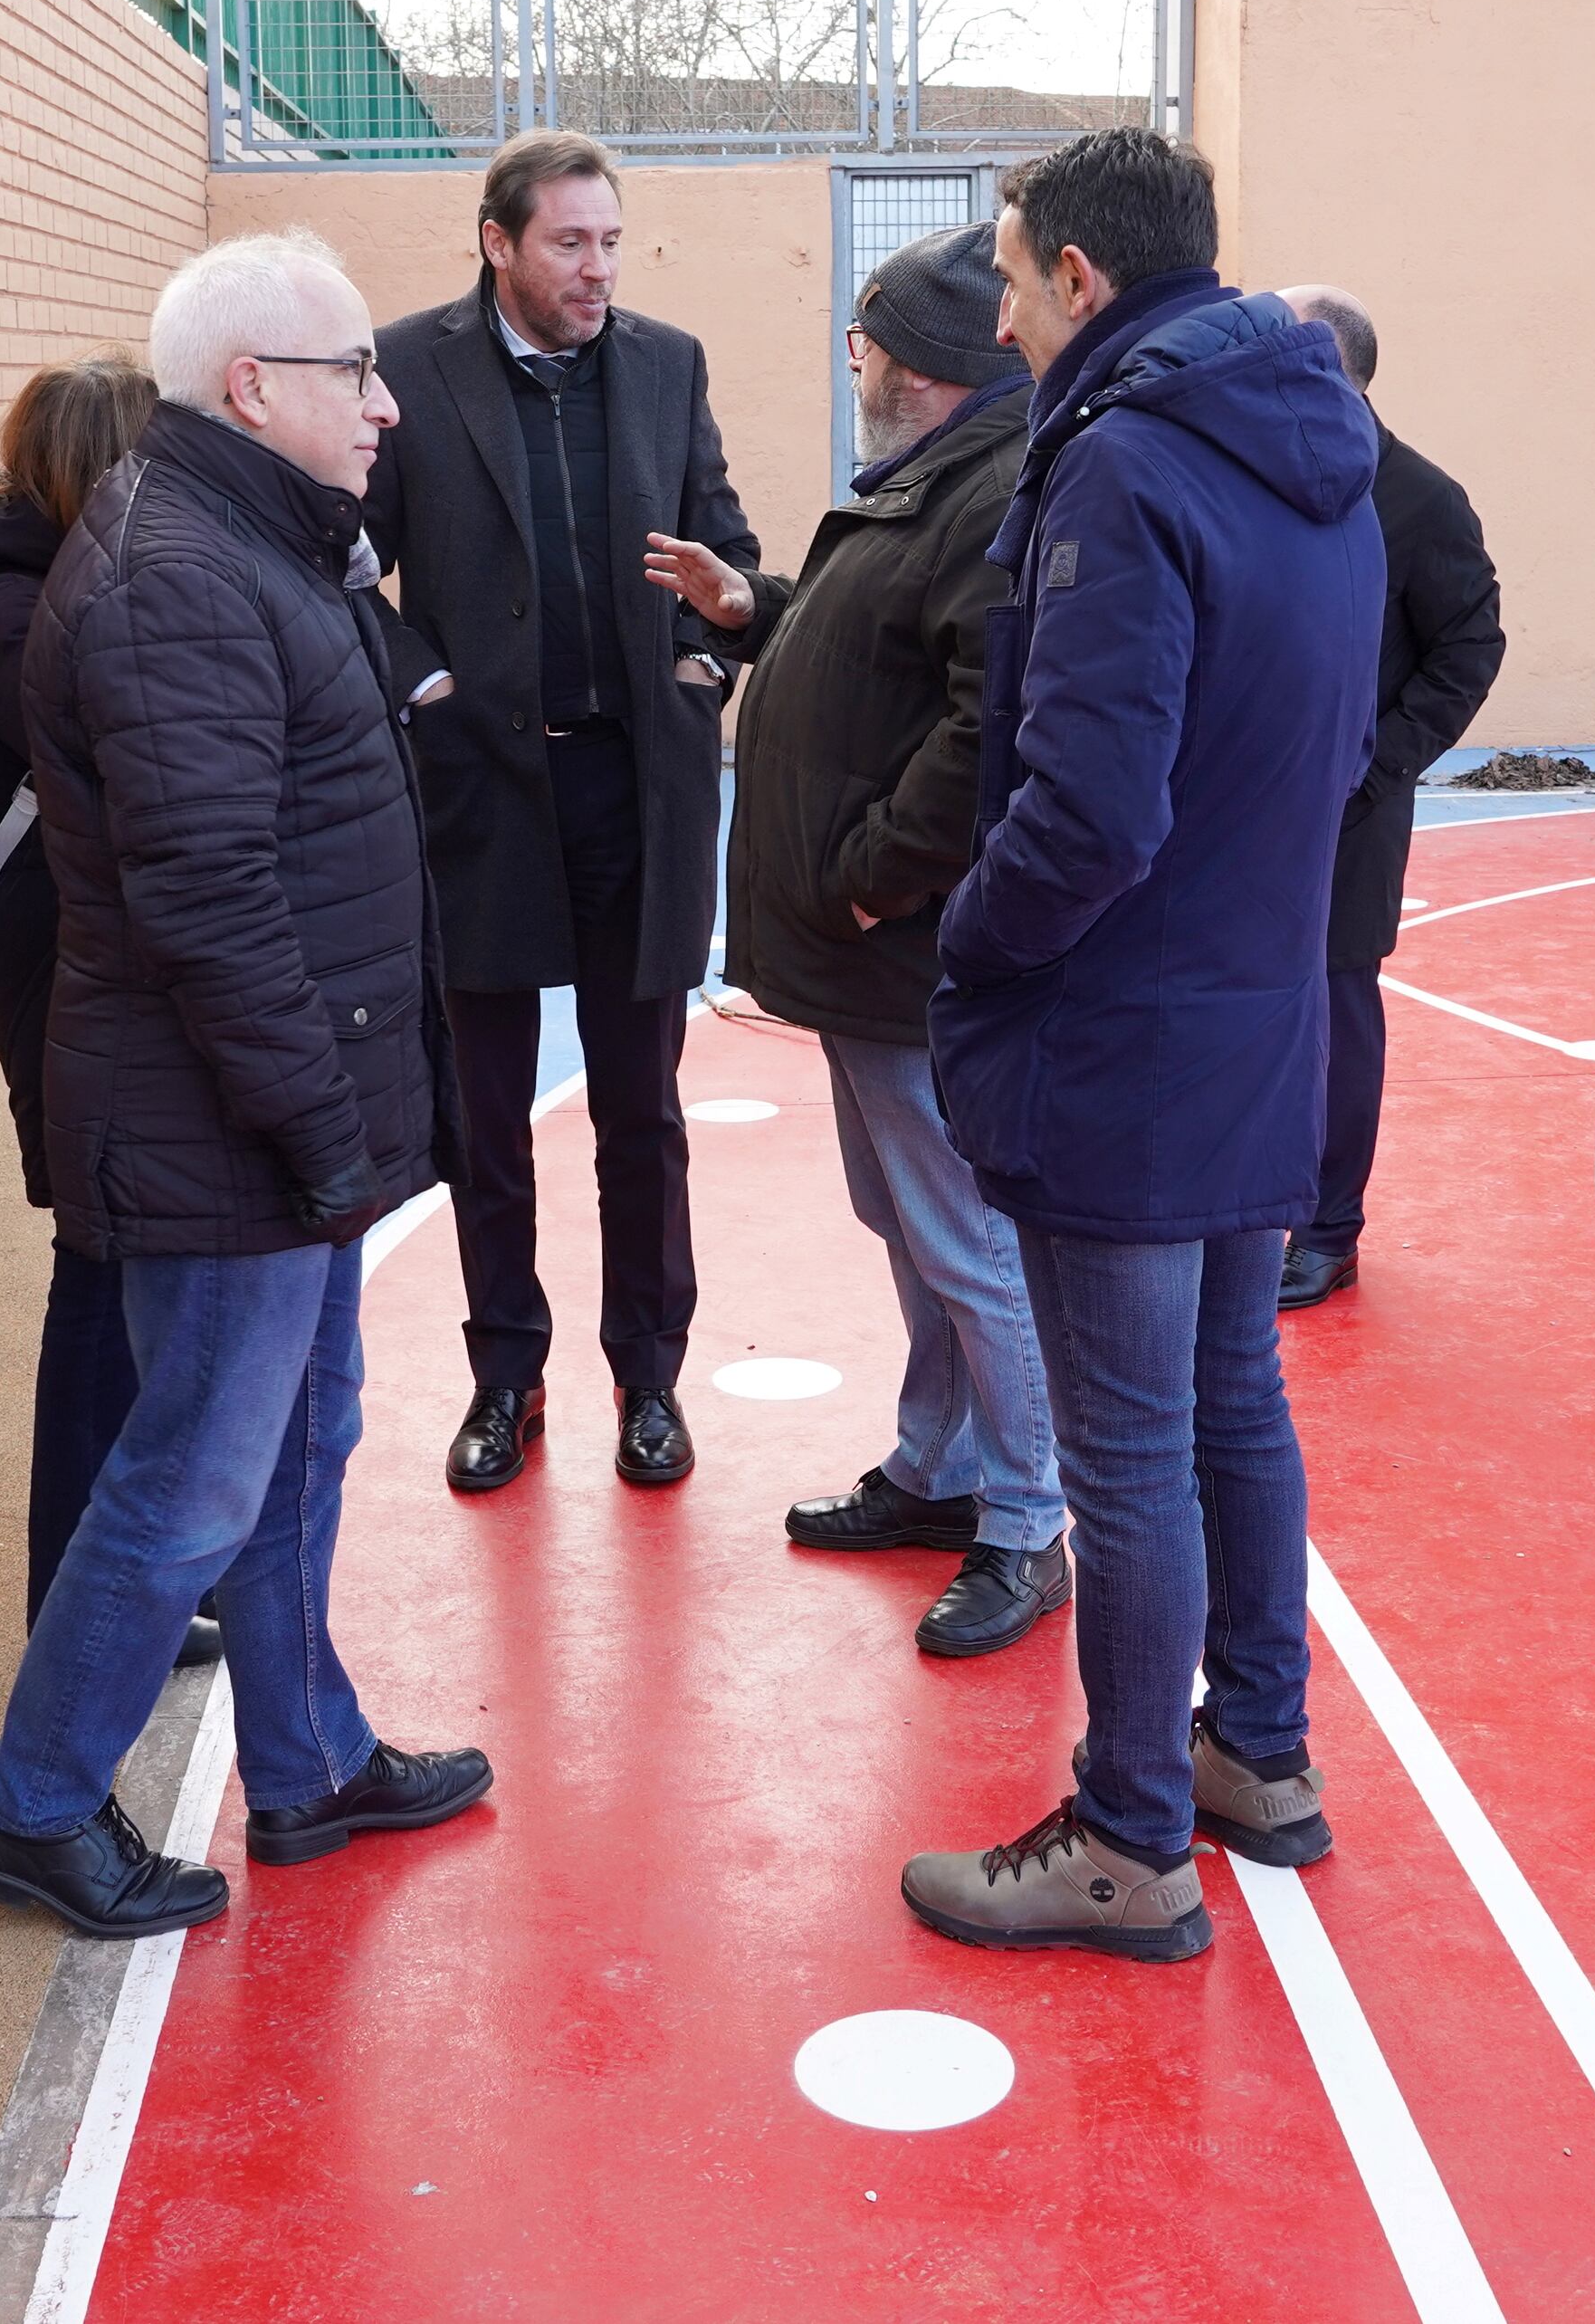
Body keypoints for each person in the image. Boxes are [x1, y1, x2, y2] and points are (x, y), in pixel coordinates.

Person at [0, 232, 487, 1942]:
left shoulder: (250, 538)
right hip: (228, 1120)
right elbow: (208, 898)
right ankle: (34, 1806)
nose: (389, 405)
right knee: (189, 1474)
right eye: (359, 373)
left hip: (262, 1114)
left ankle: (310, 1762)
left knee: (298, 1438)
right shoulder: (183, 571)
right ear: (256, 386)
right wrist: (324, 1129)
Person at [897, 129, 1381, 1962]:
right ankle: (1254, 1751)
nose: (1006, 310)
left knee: (1127, 1449)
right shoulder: (1313, 451)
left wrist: (972, 950)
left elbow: (1089, 806)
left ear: (1082, 277)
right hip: (1254, 1007)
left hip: (1128, 1025)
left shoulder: (1127, 465)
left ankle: (1126, 1835)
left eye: (1017, 277)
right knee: (1229, 1402)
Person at [645, 225, 1070, 1657]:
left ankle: (1025, 1518)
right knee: (914, 1224)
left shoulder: (991, 491)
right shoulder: (940, 477)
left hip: (900, 944)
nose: (856, 361)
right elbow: (874, 653)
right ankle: (941, 1471)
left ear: (930, 368)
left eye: (869, 342)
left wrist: (879, 878)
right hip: (862, 945)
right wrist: (754, 610)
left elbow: (980, 727)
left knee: (966, 1238)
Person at [365, 131, 762, 1498]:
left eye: (609, 242)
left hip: (637, 795)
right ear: (498, 243)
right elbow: (341, 565)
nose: (597, 269)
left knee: (639, 1112)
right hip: (478, 791)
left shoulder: (668, 364)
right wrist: (416, 676)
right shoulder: (405, 370)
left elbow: (730, 550)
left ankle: (648, 1379)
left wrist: (716, 645)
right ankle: (505, 1376)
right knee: (485, 1116)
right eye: (568, 244)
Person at [0, 359, 222, 1668]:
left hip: (86, 949)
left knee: (127, 1280)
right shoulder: (14, 608)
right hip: (65, 963)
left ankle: (121, 1597)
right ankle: (76, 1611)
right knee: (98, 1283)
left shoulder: (33, 583)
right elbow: (123, 750)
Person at [1275, 288, 1507, 1307]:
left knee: (1333, 1011)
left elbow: (1469, 646)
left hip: (1347, 813)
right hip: (1239, 800)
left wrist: (1377, 767)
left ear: (1332, 365)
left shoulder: (1417, 495)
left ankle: (1328, 1227)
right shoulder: (1250, 476)